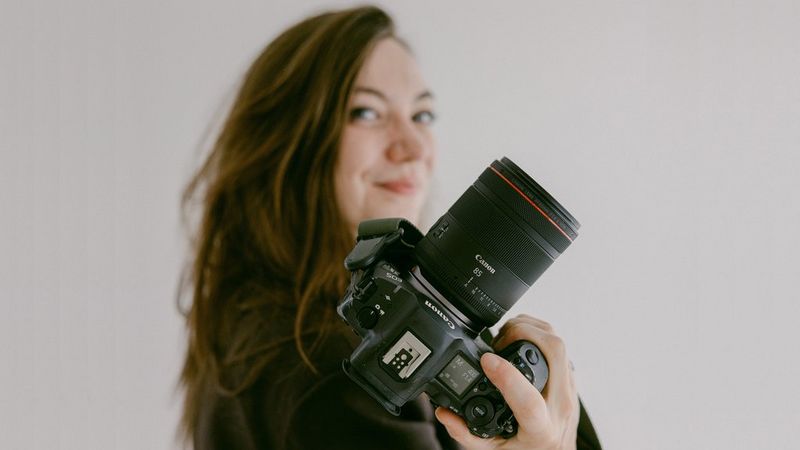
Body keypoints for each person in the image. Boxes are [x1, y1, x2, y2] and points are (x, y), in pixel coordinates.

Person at [177, 5, 601, 450]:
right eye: (366, 113)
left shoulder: (273, 324)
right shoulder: (329, 367)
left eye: (422, 116)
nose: (415, 147)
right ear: (288, 142)